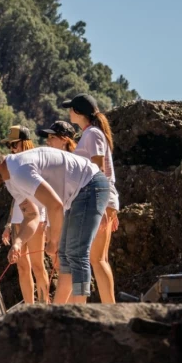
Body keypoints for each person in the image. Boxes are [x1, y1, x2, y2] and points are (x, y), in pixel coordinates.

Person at [0, 145, 109, 303]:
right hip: (77, 194)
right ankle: (61, 313)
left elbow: (55, 205)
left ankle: (79, 314)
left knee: (76, 255)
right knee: (67, 259)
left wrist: (54, 241)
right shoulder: (11, 182)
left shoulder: (19, 171)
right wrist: (18, 243)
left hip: (90, 185)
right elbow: (32, 215)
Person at [62, 93, 119, 304]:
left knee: (95, 259)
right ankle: (100, 307)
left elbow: (98, 168)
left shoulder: (92, 134)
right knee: (95, 258)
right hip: (101, 197)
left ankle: (109, 309)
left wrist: (102, 205)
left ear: (77, 112)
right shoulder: (91, 133)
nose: (68, 112)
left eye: (70, 109)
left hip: (97, 197)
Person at [0, 125, 50, 304]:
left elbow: (49, 194)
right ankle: (29, 306)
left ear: (24, 142)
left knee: (38, 265)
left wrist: (49, 222)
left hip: (38, 217)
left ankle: (44, 305)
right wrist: (8, 223)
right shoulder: (13, 164)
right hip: (18, 218)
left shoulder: (35, 161)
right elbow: (16, 196)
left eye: (14, 144)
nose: (12, 149)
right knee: (22, 266)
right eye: (9, 146)